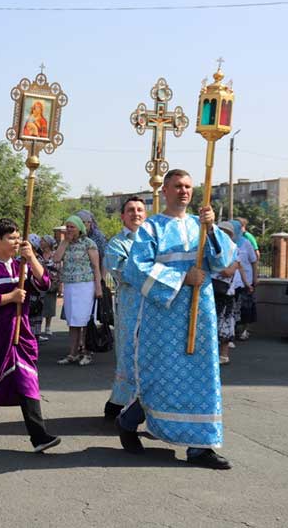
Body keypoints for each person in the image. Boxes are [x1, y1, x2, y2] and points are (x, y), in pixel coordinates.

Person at [118, 169, 236, 470]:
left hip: (201, 310)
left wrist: (211, 230)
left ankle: (201, 447)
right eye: (177, 186)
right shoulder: (151, 227)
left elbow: (223, 263)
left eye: (188, 186)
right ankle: (129, 420)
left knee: (201, 375)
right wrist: (182, 278)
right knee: (162, 374)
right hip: (163, 313)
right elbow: (136, 268)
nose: (183, 191)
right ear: (166, 191)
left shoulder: (201, 225)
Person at [0, 218, 60, 452]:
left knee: (27, 380)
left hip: (22, 333)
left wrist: (31, 259)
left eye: (18, 237)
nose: (16, 241)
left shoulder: (23, 266)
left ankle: (39, 436)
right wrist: (9, 297)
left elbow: (45, 284)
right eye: (11, 238)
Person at [102, 196, 146, 420]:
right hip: (129, 309)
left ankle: (146, 407)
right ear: (123, 216)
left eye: (140, 209)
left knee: (149, 357)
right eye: (131, 210)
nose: (136, 213)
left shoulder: (152, 240)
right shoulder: (117, 243)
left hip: (152, 309)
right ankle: (119, 404)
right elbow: (122, 271)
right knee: (129, 355)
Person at [54, 215, 102, 366]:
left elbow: (96, 267)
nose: (68, 229)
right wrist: (65, 242)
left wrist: (98, 287)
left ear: (79, 228)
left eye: (72, 227)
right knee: (73, 321)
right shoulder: (65, 243)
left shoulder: (89, 243)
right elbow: (56, 259)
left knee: (85, 320)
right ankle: (72, 353)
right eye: (67, 227)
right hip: (70, 286)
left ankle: (86, 352)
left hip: (85, 286)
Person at [212, 222, 242, 366]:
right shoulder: (212, 248)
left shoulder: (234, 250)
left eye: (226, 233)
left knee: (224, 324)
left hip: (226, 294)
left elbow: (228, 271)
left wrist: (217, 266)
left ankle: (224, 356)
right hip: (211, 293)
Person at [231, 220, 258, 342]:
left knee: (247, 307)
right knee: (234, 307)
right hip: (232, 281)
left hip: (246, 279)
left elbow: (254, 261)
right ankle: (233, 330)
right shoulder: (227, 242)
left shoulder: (246, 242)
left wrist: (255, 278)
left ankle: (245, 330)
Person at [38, 236, 59, 342]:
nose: (41, 242)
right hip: (40, 282)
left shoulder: (54, 254)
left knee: (50, 305)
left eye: (43, 241)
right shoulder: (39, 254)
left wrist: (60, 284)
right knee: (40, 304)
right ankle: (39, 327)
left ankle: (48, 326)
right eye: (41, 241)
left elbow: (58, 268)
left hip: (52, 283)